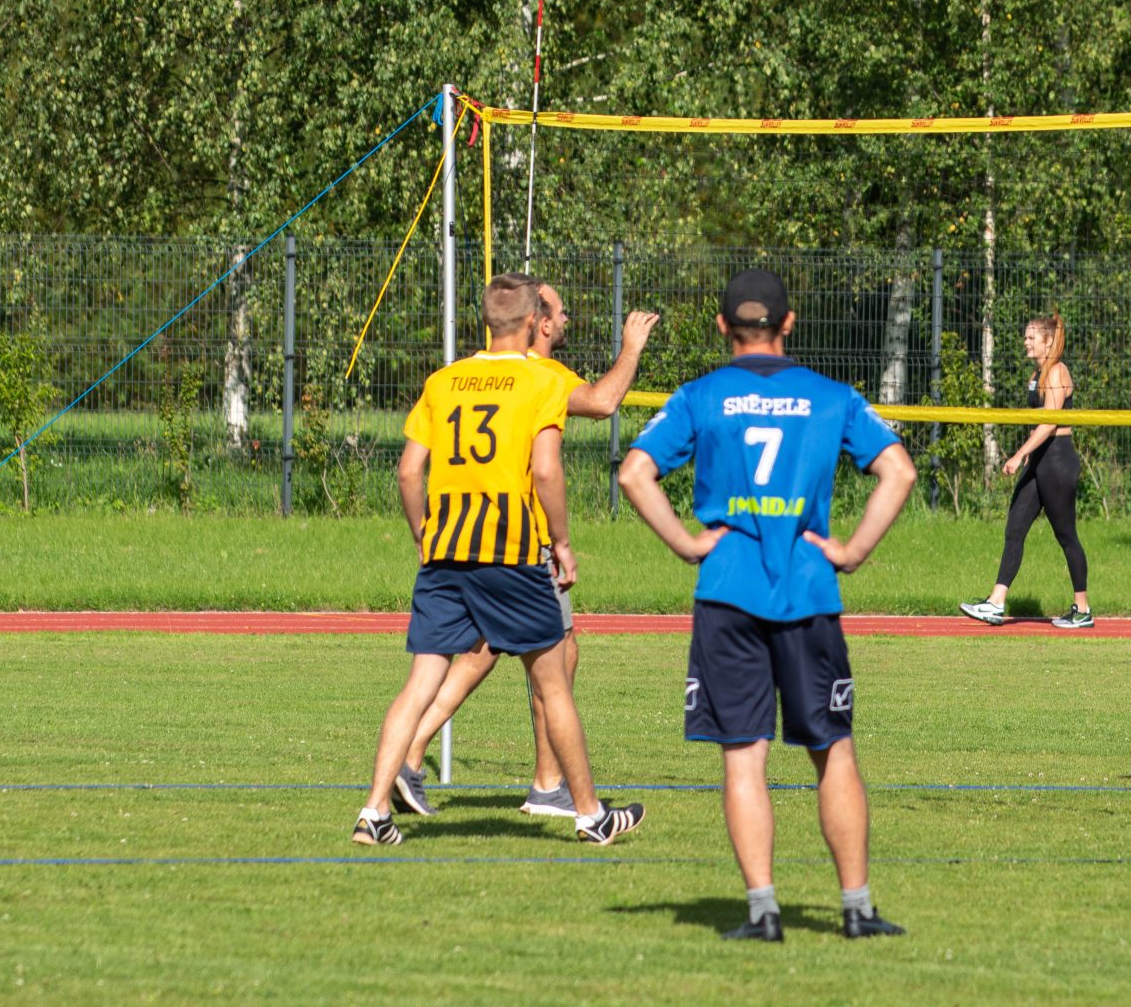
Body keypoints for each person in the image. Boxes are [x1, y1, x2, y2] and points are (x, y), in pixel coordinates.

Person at [617, 267, 918, 941]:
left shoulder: (699, 396)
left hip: (728, 591)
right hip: (808, 591)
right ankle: (857, 908)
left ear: (722, 326)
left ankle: (763, 911)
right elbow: (898, 469)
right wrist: (852, 550)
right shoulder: (832, 397)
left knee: (743, 755)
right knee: (832, 749)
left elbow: (635, 472)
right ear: (789, 323)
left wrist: (687, 543)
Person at [355, 273, 643, 847]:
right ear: (534, 320)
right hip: (511, 552)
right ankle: (590, 815)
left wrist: (423, 534)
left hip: (445, 554)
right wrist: (562, 542)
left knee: (419, 684)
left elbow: (409, 472)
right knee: (554, 682)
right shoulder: (541, 380)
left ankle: (373, 812)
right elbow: (546, 469)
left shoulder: (444, 380)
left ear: (486, 319)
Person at [959, 312, 1091, 629]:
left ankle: (1083, 609)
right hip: (1038, 462)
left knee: (1066, 535)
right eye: (1025, 337)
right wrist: (1029, 459)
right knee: (1015, 528)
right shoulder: (1037, 374)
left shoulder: (1058, 372)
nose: (1026, 342)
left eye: (1031, 337)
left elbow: (1049, 423)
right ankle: (996, 602)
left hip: (1057, 460)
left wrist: (1019, 455)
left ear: (1048, 341)